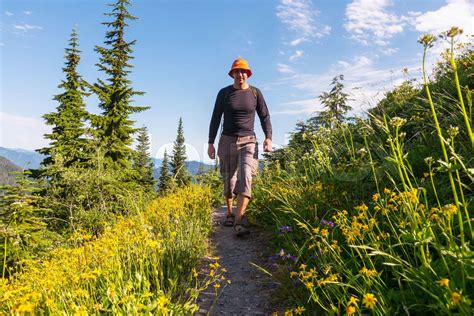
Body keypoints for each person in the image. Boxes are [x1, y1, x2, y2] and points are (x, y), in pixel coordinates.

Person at [208, 57, 272, 236]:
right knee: (229, 179)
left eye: (243, 71)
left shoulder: (255, 93)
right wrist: (211, 142)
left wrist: (268, 138)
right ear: (232, 74)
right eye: (237, 71)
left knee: (246, 177)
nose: (240, 74)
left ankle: (239, 220)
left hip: (249, 140)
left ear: (248, 74)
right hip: (227, 139)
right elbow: (215, 118)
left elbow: (265, 116)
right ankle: (229, 212)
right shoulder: (224, 93)